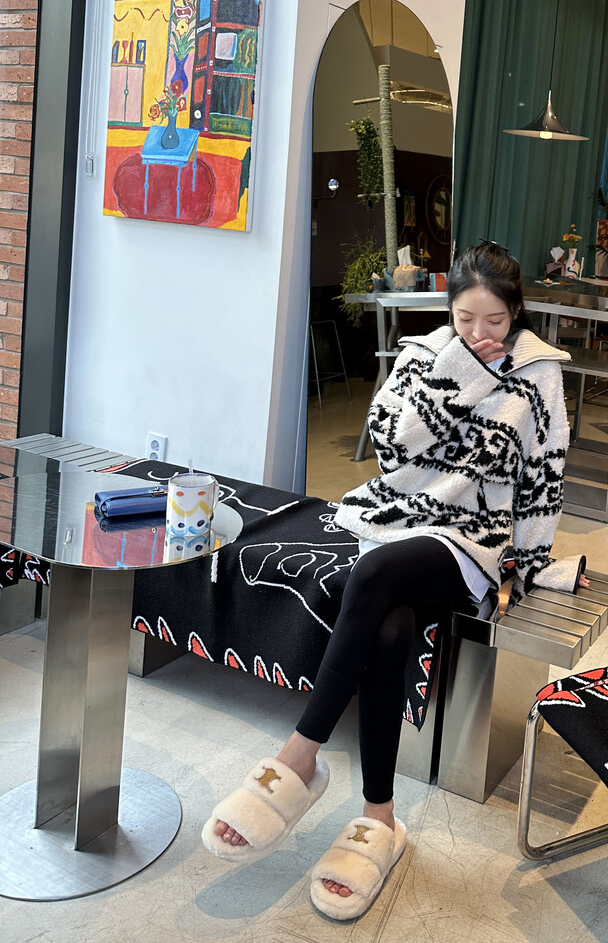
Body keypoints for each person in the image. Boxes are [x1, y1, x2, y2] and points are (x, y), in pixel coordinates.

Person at [201, 242, 584, 919]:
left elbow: (543, 477)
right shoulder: (426, 353)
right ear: (450, 310)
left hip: (469, 541)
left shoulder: (539, 372)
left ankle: (300, 755)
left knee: (376, 573)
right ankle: (379, 816)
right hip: (395, 518)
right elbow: (389, 442)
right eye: (466, 318)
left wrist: (526, 566)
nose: (480, 333)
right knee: (389, 629)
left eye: (495, 320)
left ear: (517, 312)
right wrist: (458, 371)